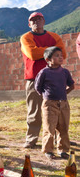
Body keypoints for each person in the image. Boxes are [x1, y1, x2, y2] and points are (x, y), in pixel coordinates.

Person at [20, 12, 67, 149]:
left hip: (55, 79)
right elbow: (32, 54)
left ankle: (59, 140)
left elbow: (62, 54)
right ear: (29, 24)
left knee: (57, 111)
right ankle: (32, 139)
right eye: (32, 20)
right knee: (34, 110)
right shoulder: (26, 37)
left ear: (44, 21)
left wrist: (45, 52)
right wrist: (53, 51)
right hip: (34, 78)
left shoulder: (54, 36)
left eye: (39, 19)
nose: (36, 21)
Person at [35, 46, 75, 160]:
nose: (60, 57)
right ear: (48, 59)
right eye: (56, 56)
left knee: (63, 128)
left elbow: (71, 85)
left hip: (63, 104)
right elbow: (38, 87)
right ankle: (48, 150)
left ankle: (63, 150)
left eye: (61, 55)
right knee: (49, 128)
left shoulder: (65, 72)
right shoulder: (44, 72)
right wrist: (47, 97)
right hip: (49, 104)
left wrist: (64, 93)